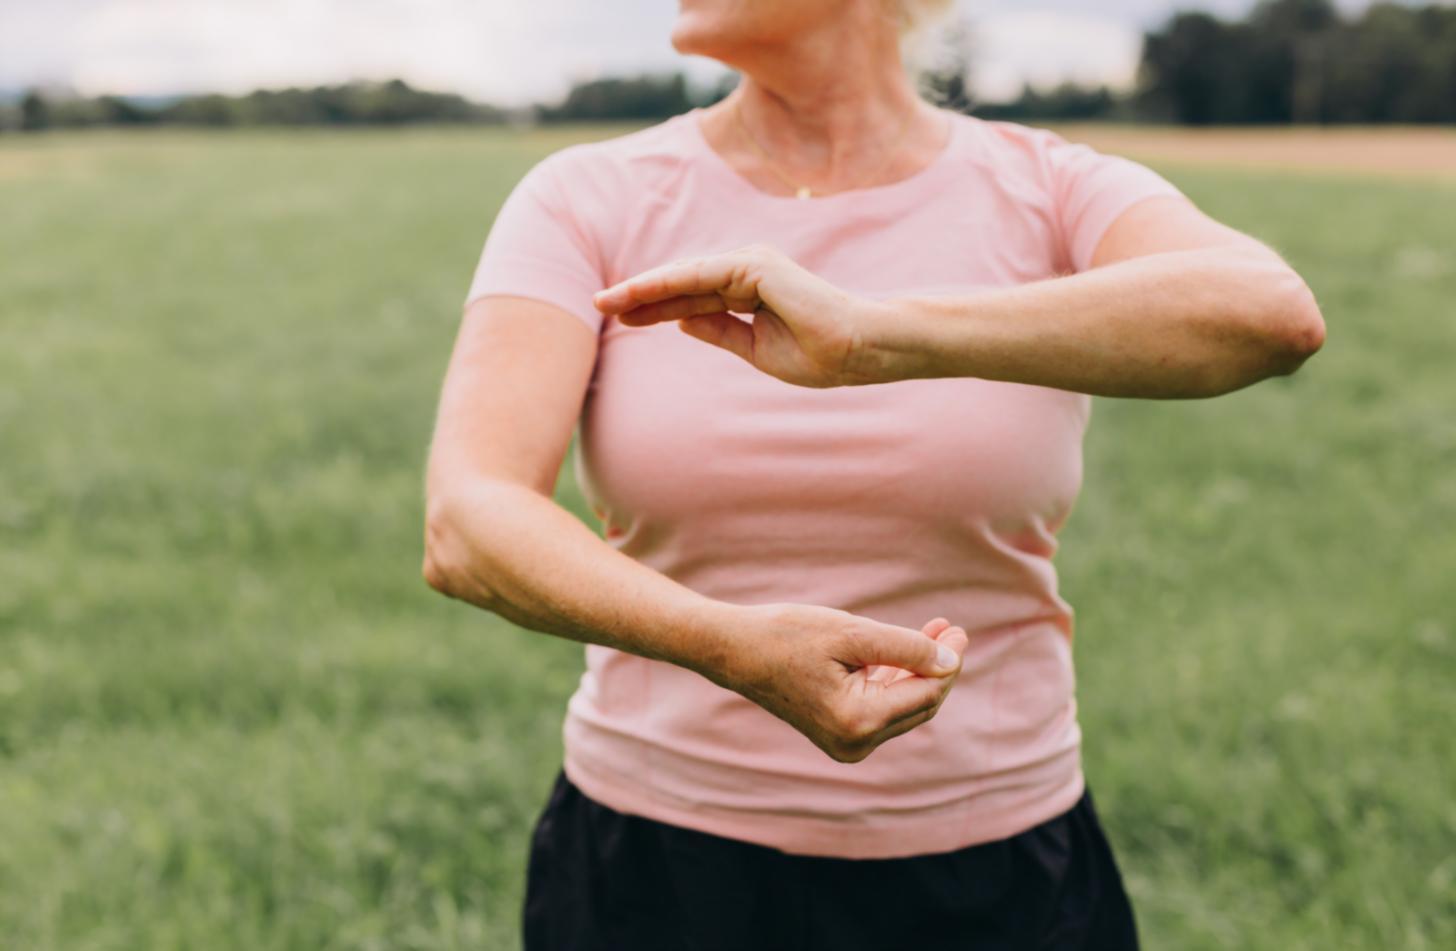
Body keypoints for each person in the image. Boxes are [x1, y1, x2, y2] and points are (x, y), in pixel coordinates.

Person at [421, 1, 1326, 947]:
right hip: (654, 868)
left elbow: (1272, 315)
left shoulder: (1046, 186)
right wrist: (725, 645)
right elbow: (467, 519)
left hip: (1000, 868)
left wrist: (876, 337)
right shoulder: (586, 195)